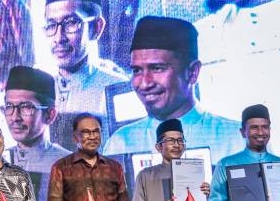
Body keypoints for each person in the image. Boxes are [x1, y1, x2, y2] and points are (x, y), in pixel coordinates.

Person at [103, 16, 240, 163]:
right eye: (137, 70)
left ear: (192, 72)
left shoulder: (236, 140)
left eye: (157, 68)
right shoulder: (121, 143)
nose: (144, 83)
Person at [43, 0, 128, 151]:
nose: (59, 38)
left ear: (96, 28)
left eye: (71, 23)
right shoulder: (39, 90)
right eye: (51, 25)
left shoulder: (118, 88)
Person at [45, 113, 136, 201]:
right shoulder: (62, 168)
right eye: (86, 132)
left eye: (96, 131)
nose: (92, 136)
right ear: (75, 137)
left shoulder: (114, 168)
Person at [2, 66, 72, 201]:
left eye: (26, 107)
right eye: (9, 106)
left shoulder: (69, 165)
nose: (15, 117)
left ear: (50, 115)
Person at [130, 118, 211, 201]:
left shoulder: (193, 172)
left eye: (180, 140)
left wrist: (204, 199)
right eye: (171, 141)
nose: (177, 145)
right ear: (158, 147)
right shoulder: (145, 175)